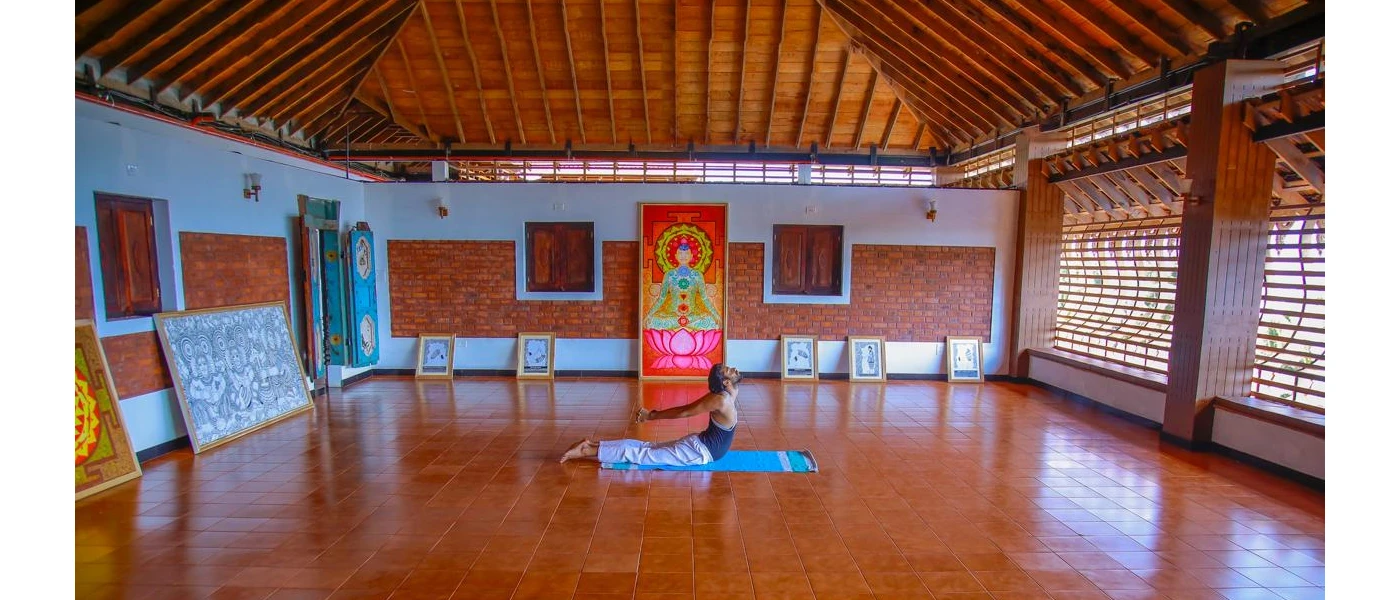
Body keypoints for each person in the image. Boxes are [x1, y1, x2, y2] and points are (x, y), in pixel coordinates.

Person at [560, 364, 742, 466]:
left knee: (648, 447)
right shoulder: (721, 400)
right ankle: (588, 450)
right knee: (644, 455)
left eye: (730, 369)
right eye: (730, 370)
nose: (734, 368)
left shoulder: (729, 395)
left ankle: (593, 444)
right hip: (699, 451)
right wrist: (651, 415)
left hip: (699, 444)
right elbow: (685, 411)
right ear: (726, 382)